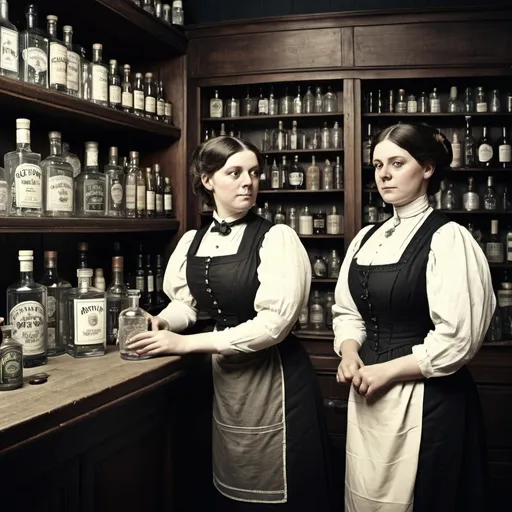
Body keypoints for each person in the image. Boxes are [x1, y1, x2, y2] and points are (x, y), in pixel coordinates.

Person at [127, 135, 338, 511]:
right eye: (235, 172)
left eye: (254, 173)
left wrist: (186, 344)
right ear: (207, 181)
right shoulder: (193, 240)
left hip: (275, 378)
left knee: (280, 486)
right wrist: (162, 322)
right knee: (230, 481)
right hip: (224, 378)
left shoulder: (277, 238)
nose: (248, 182)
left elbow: (274, 324)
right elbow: (186, 305)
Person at [333, 123, 495, 512]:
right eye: (377, 164)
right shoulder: (365, 238)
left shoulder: (449, 238)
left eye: (397, 162)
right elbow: (347, 311)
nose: (384, 174)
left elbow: (457, 339)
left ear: (426, 169)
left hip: (427, 399)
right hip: (368, 395)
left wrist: (385, 372)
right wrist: (350, 352)